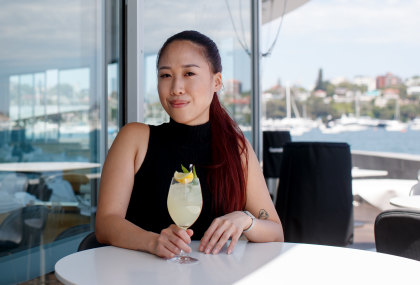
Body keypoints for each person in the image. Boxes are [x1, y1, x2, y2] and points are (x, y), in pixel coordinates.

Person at [95, 30, 284, 259]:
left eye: (189, 73)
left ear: (216, 81)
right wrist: (153, 242)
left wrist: (245, 220)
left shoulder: (236, 148)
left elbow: (275, 231)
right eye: (166, 75)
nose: (176, 87)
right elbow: (106, 224)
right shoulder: (134, 138)